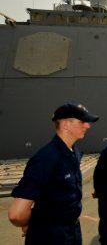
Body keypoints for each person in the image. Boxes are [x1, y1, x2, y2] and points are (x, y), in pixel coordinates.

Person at [8, 103, 99, 245]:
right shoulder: (46, 158)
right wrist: (32, 223)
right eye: (82, 121)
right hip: (51, 236)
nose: (87, 126)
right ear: (65, 125)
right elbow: (16, 214)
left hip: (71, 231)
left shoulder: (72, 152)